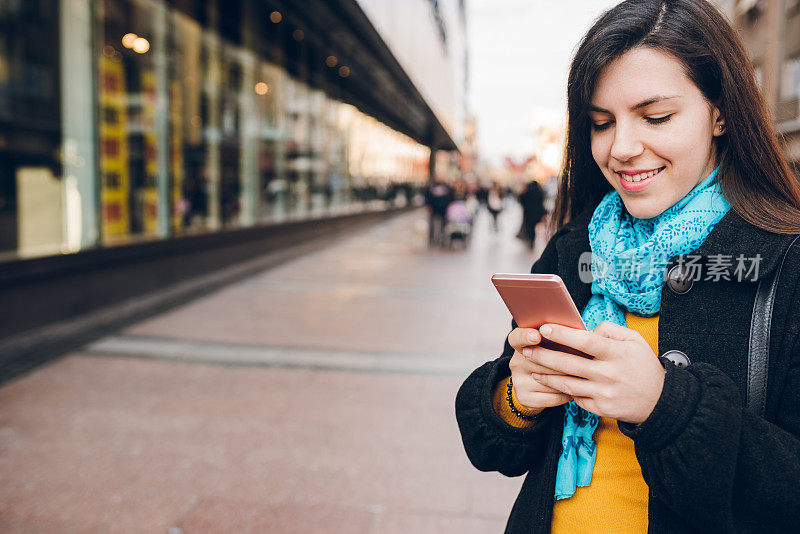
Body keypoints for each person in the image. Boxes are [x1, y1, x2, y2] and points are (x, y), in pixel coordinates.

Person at [455, 1, 800, 533]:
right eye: (601, 123)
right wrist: (515, 397)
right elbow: (493, 443)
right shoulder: (579, 245)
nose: (621, 148)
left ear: (720, 111)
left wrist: (665, 405)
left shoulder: (786, 259)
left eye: (655, 117)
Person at [517, 179, 546, 248]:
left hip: (528, 214)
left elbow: (521, 201)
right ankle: (532, 239)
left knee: (529, 227)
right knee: (533, 227)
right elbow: (542, 203)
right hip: (537, 214)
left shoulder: (527, 192)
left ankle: (530, 240)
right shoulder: (540, 192)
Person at [424, 177, 453, 247]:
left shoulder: (447, 188)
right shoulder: (432, 188)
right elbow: (428, 198)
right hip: (434, 209)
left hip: (443, 209)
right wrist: (429, 206)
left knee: (443, 225)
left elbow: (449, 198)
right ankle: (431, 239)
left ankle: (442, 238)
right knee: (432, 224)